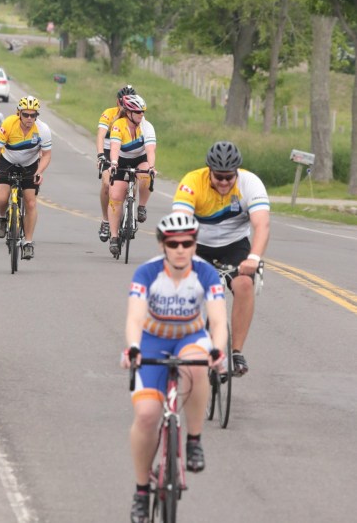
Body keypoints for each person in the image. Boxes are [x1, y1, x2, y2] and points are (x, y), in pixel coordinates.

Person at [121, 213, 227, 523]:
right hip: (152, 341)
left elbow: (219, 320)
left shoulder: (206, 273)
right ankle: (142, 490)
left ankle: (193, 440)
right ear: (162, 245)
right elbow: (135, 318)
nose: (181, 249)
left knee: (197, 366)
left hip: (189, 337)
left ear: (195, 244)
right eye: (173, 243)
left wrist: (217, 350)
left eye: (188, 243)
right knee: (146, 415)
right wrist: (134, 347)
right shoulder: (147, 273)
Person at [172, 140, 270, 377]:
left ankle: (236, 351)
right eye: (219, 177)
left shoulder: (250, 183)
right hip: (197, 245)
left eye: (229, 177)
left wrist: (254, 257)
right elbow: (181, 224)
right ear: (209, 172)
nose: (225, 182)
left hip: (234, 246)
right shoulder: (192, 182)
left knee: (245, 283)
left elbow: (262, 224)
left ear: (236, 173)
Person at [0, 96, 52, 260]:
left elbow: (46, 155)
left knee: (30, 202)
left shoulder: (43, 129)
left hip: (30, 165)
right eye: (26, 115)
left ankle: (28, 242)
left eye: (33, 115)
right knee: (2, 198)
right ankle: (2, 217)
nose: (29, 119)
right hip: (7, 161)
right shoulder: (9, 124)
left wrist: (39, 171)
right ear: (19, 113)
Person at [107, 94, 156, 258]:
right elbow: (114, 146)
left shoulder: (147, 126)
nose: (141, 115)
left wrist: (152, 167)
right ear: (128, 112)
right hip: (120, 160)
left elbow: (150, 150)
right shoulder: (118, 125)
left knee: (145, 175)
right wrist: (113, 163)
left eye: (142, 112)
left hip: (140, 159)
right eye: (137, 112)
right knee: (115, 196)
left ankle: (141, 206)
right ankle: (114, 237)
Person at [96, 85, 135, 242]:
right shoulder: (109, 113)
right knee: (107, 185)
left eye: (128, 103)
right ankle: (106, 220)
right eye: (121, 102)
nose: (124, 106)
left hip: (126, 152)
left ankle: (131, 209)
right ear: (117, 101)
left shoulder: (137, 117)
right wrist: (100, 155)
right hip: (107, 152)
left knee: (136, 177)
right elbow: (100, 135)